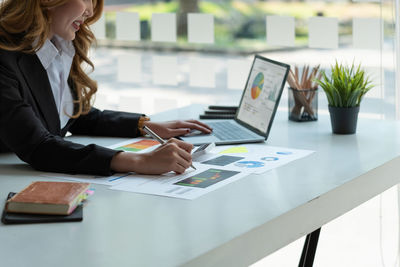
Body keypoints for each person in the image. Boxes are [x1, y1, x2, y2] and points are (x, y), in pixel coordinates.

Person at [0, 0, 212, 176]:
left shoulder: (56, 46)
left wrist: (145, 126)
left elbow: (74, 114)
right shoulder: (4, 57)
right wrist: (138, 160)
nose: (91, 11)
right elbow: (38, 147)